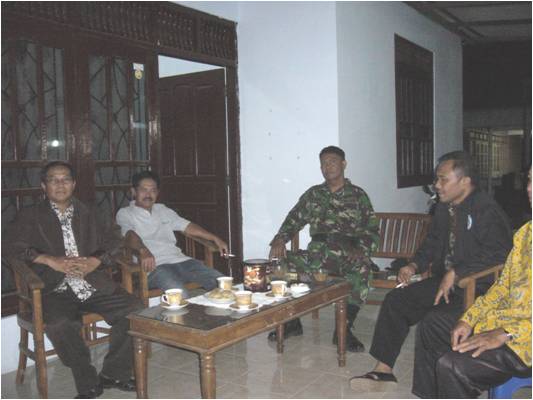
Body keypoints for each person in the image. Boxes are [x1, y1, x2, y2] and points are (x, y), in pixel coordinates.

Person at [350, 151, 513, 390]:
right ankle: (383, 370)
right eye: (437, 179)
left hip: (478, 288)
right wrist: (413, 265)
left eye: (443, 179)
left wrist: (457, 273)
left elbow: (499, 253)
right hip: (443, 282)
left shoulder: (486, 210)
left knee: (433, 321)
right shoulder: (443, 207)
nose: (437, 185)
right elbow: (433, 242)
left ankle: (433, 391)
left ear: (465, 181)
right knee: (397, 300)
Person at [5, 161, 143, 399]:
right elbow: (8, 246)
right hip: (52, 288)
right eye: (53, 180)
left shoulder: (92, 211)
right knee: (60, 324)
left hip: (93, 283)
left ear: (74, 184)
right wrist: (48, 259)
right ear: (43, 186)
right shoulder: (30, 215)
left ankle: (114, 373)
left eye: (65, 179)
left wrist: (96, 260)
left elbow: (115, 240)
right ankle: (86, 377)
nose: (60, 185)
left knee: (135, 309)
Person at [413, 167, 531, 398]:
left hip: (524, 340)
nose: (529, 189)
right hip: (503, 322)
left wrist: (507, 333)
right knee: (433, 323)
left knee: (453, 365)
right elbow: (502, 287)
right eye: (529, 180)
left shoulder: (486, 209)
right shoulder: (526, 234)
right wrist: (469, 318)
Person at [268, 145, 380, 352]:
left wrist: (361, 249)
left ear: (344, 164)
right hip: (316, 256)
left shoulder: (358, 196)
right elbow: (294, 219)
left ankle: (343, 328)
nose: (327, 167)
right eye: (323, 164)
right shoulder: (314, 194)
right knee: (279, 265)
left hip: (347, 255)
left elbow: (372, 230)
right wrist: (279, 239)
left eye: (332, 162)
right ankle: (292, 321)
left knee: (363, 269)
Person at [116, 170, 229, 297]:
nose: (148, 194)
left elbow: (187, 226)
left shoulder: (162, 210)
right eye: (144, 190)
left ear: (157, 193)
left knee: (223, 285)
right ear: (133, 192)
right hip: (155, 268)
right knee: (180, 296)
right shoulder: (125, 213)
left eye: (153, 190)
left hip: (182, 261)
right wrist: (143, 250)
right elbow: (129, 235)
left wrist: (214, 238)